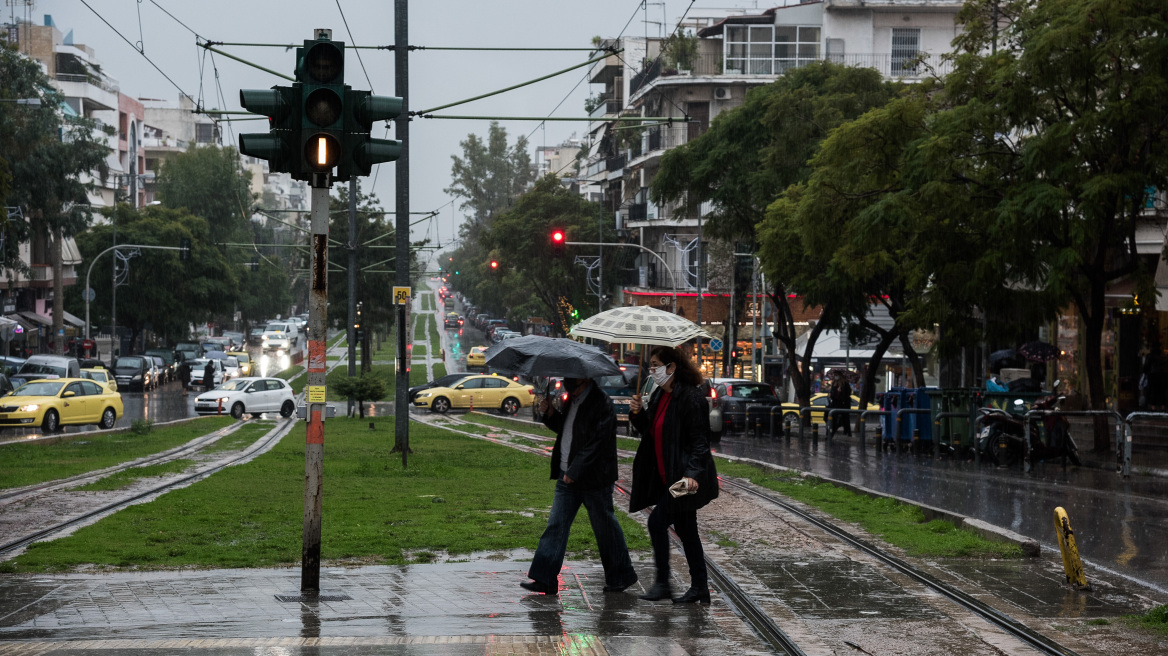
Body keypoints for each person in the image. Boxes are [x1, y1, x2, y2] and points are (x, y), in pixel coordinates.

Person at [520, 376, 638, 596]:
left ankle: (621, 576)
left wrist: (575, 470)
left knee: (605, 528)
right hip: (568, 477)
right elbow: (566, 431)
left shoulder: (600, 402)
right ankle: (545, 578)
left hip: (594, 479)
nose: (567, 384)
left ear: (585, 379)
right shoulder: (572, 400)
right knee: (556, 525)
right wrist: (550, 414)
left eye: (572, 381)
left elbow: (598, 442)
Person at [628, 346, 719, 604]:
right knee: (687, 530)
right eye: (650, 365)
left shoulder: (691, 398)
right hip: (666, 476)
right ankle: (700, 586)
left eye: (656, 364)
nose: (651, 370)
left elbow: (700, 443)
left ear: (672, 367)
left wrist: (692, 475)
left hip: (683, 480)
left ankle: (663, 584)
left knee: (657, 521)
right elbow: (650, 430)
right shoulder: (660, 395)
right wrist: (637, 414)